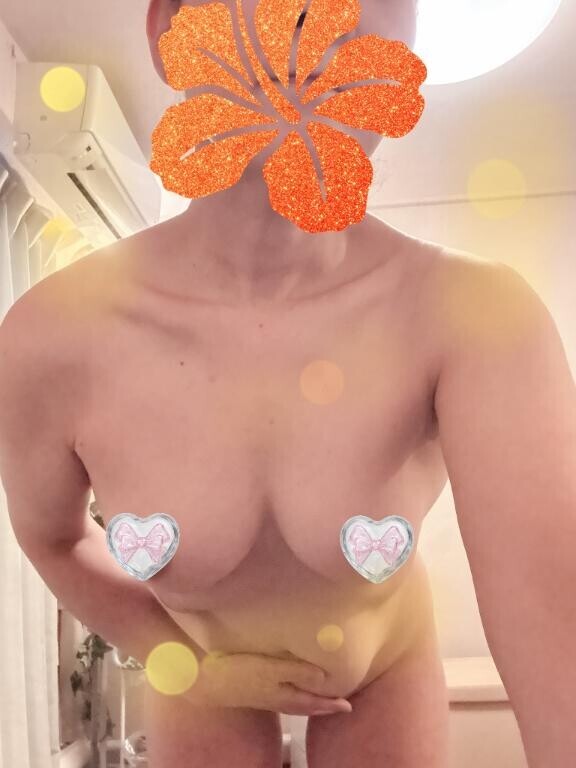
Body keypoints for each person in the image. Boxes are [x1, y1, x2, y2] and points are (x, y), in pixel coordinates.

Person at [1, 0, 575, 766]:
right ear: (172, 30)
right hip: (203, 682)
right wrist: (188, 668)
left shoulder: (473, 319)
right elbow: (57, 538)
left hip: (383, 671)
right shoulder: (48, 340)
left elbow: (557, 626)